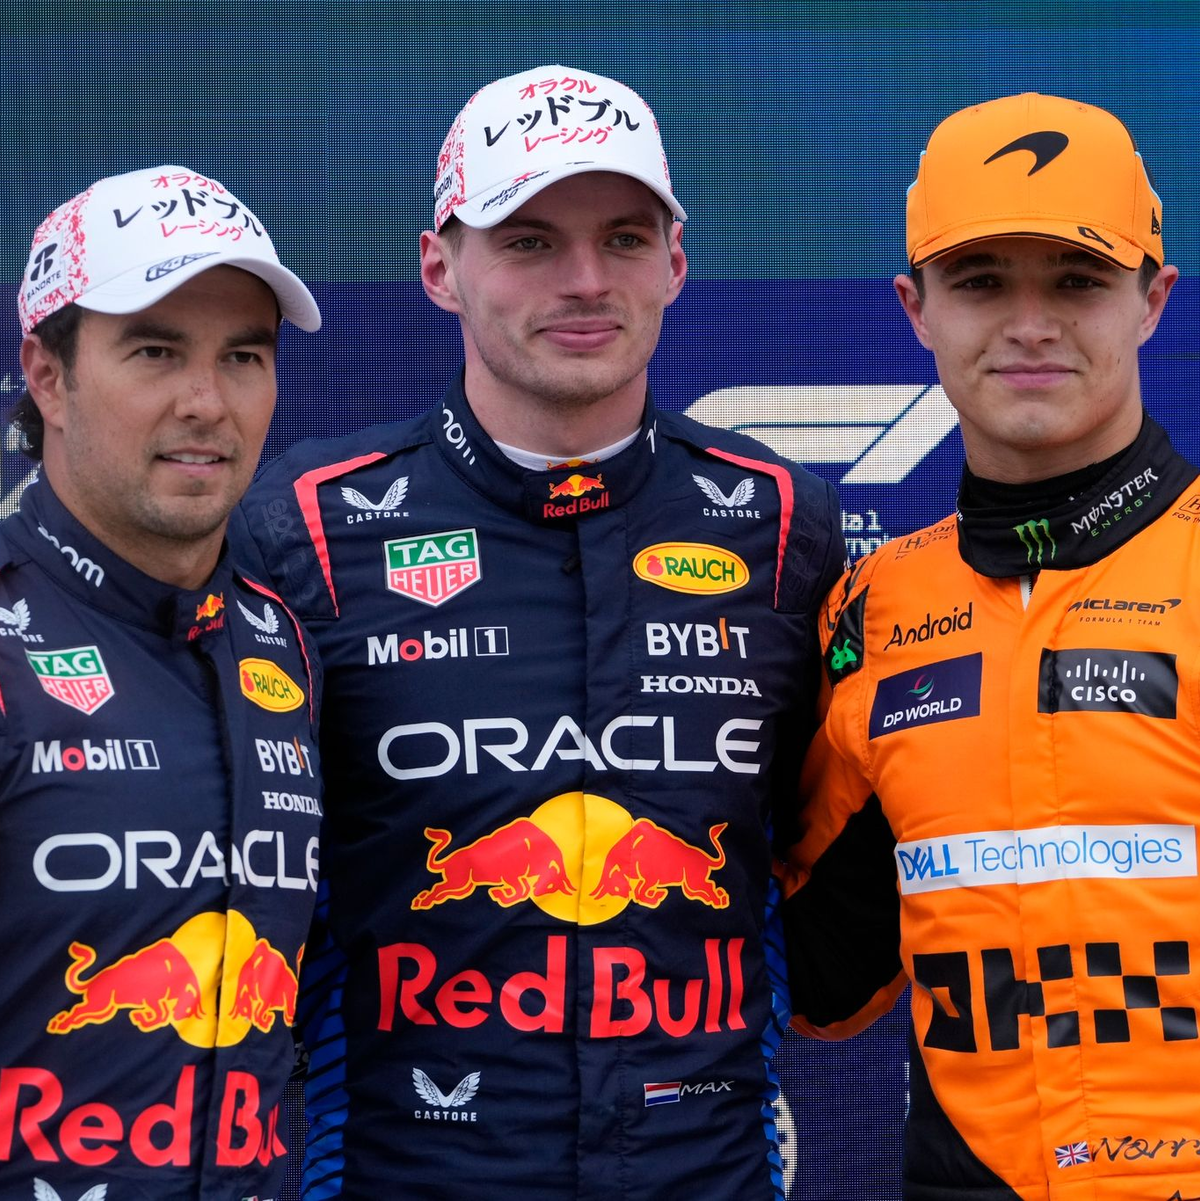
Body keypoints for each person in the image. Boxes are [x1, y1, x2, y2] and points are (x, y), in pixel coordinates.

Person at [231, 64, 844, 1199]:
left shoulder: (785, 527)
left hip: (705, 1175)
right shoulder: (299, 529)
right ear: (440, 268)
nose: (583, 281)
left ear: (676, 261)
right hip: (398, 1174)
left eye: (621, 237)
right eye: (526, 240)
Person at [785, 92, 1199, 1199]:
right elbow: (821, 978)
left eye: (1076, 280)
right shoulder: (868, 610)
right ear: (914, 307)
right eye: (981, 281)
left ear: (1152, 300)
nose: (1030, 322)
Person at [0, 165, 324, 1200]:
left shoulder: (282, 639)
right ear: (47, 377)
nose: (206, 402)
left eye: (243, 356)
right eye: (155, 351)